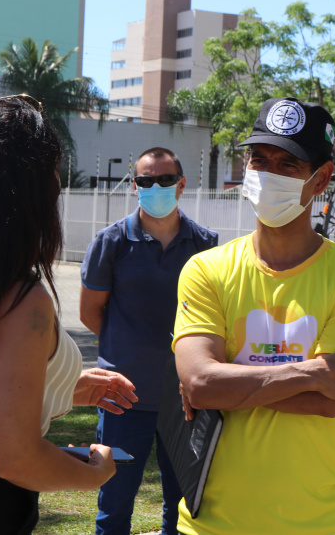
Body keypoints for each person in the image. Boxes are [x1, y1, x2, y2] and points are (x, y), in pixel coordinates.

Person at [172, 97, 335, 535]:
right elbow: (201, 383)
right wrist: (311, 372)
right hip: (211, 524)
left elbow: (329, 401)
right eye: (259, 160)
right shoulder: (206, 269)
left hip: (316, 523)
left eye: (288, 164)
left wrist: (225, 384)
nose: (268, 174)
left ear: (321, 179)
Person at [0, 95, 138, 534]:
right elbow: (16, 458)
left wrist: (62, 385)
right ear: (34, 189)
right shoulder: (22, 300)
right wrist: (95, 472)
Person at [80, 147, 218, 534]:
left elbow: (214, 321)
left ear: (182, 184)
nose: (155, 187)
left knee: (183, 507)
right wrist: (128, 350)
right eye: (145, 180)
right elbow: (91, 314)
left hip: (185, 400)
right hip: (122, 397)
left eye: (165, 180)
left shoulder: (206, 244)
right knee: (113, 505)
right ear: (134, 185)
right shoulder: (110, 242)